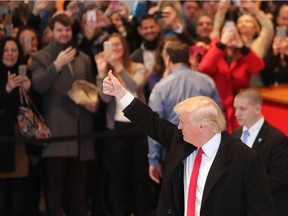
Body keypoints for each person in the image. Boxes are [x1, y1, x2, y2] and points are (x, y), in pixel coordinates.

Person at [102, 71, 274, 216]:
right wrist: (120, 93)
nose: (179, 126)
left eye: (183, 122)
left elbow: (260, 210)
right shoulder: (181, 140)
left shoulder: (245, 159)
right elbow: (151, 121)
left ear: (202, 126)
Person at [31, 13, 96, 216]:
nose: (64, 34)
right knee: (55, 187)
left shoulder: (83, 58)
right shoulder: (41, 57)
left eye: (67, 30)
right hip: (57, 132)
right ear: (51, 31)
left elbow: (90, 90)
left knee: (79, 188)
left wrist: (95, 105)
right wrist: (56, 65)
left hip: (81, 132)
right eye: (59, 30)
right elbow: (39, 86)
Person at [148, 39, 221, 186]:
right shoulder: (207, 81)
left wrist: (153, 159)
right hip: (207, 146)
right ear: (187, 57)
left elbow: (154, 125)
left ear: (167, 59)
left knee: (177, 199)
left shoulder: (161, 87)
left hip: (174, 147)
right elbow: (218, 118)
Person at [95, 33, 150, 216]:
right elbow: (103, 98)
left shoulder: (137, 66)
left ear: (125, 47)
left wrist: (118, 66)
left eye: (119, 44)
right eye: (111, 45)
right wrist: (101, 71)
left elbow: (135, 85)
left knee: (140, 176)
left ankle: (142, 211)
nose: (116, 48)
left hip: (139, 127)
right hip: (117, 128)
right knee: (118, 177)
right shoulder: (108, 70)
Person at [232, 88, 288, 216]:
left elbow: (279, 178)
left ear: (257, 109)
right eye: (235, 108)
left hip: (265, 208)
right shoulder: (235, 134)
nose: (236, 113)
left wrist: (246, 189)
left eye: (242, 109)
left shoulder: (277, 140)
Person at [0, 36, 31, 216]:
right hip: (2, 138)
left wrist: (27, 91)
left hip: (18, 138)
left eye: (14, 50)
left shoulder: (24, 72)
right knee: (2, 188)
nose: (10, 54)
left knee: (19, 186)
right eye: (6, 50)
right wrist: (7, 89)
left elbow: (29, 109)